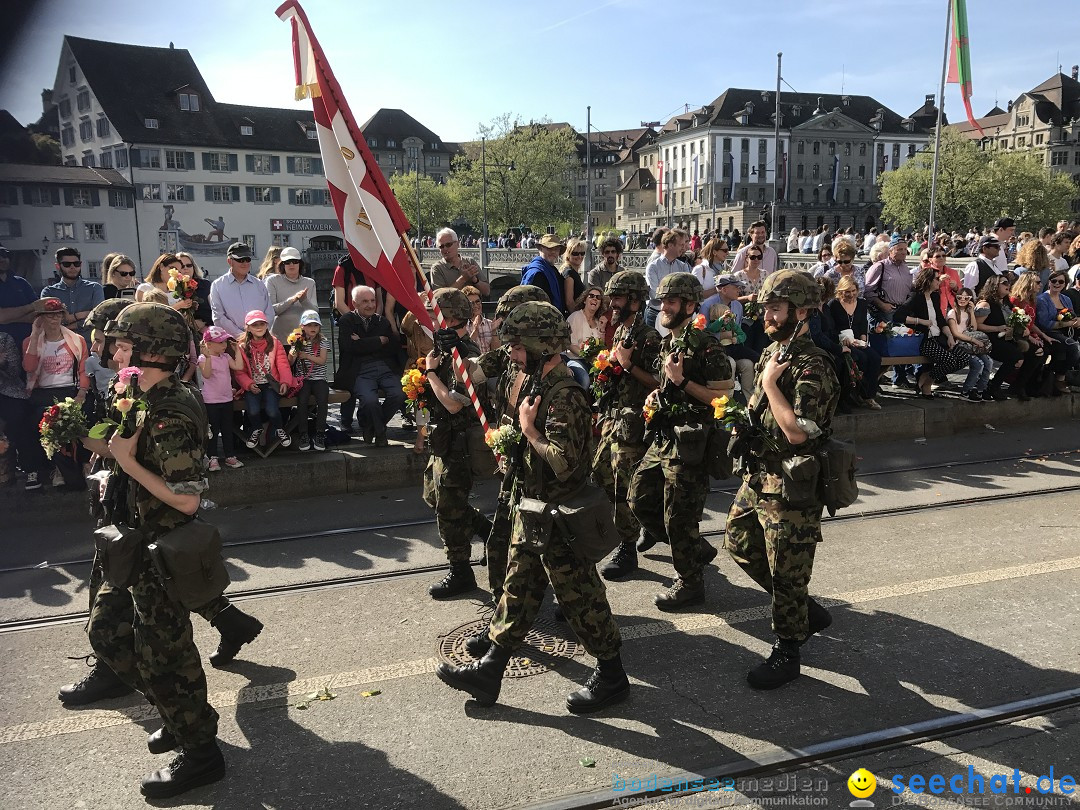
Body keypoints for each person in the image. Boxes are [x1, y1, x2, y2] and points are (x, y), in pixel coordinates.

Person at [436, 302, 630, 713]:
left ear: (544, 345)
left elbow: (563, 462)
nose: (511, 353)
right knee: (518, 591)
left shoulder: (567, 395)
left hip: (560, 515)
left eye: (518, 346)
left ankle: (612, 675)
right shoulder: (532, 382)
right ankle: (490, 671)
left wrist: (527, 430)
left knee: (582, 598)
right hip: (534, 511)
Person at [85, 303, 227, 798]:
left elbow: (187, 498)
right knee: (106, 632)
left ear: (151, 353)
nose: (111, 351)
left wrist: (126, 459)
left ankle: (201, 750)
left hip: (162, 552)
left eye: (123, 345)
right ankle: (178, 713)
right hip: (137, 546)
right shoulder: (144, 395)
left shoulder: (168, 412)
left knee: (165, 652)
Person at [724, 271, 839, 690]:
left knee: (787, 571)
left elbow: (798, 433)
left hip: (792, 486)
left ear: (802, 312)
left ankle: (788, 650)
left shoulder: (813, 364)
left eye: (776, 308)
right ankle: (806, 610)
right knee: (738, 542)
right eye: (767, 308)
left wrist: (771, 384)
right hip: (760, 474)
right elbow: (761, 410)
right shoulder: (775, 349)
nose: (767, 315)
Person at [628, 273, 732, 610]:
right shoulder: (668, 342)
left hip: (692, 442)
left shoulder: (707, 345)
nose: (663, 307)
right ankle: (695, 548)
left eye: (671, 301)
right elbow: (666, 385)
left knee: (679, 517)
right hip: (664, 437)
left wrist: (682, 381)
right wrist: (657, 395)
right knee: (639, 498)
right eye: (662, 301)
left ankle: (690, 583)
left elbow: (723, 399)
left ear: (689, 305)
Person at [420, 288, 492, 599]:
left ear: (450, 317)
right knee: (435, 498)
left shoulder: (466, 353)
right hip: (443, 440)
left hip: (460, 443)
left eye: (437, 315)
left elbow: (453, 403)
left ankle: (460, 572)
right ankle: (491, 532)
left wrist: (431, 374)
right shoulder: (445, 349)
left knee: (448, 510)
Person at [591, 271, 662, 580]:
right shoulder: (621, 331)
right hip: (614, 419)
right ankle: (649, 522)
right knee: (600, 475)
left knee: (623, 486)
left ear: (635, 301)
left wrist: (628, 364)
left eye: (617, 298)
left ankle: (627, 546)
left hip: (635, 424)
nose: (612, 304)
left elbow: (658, 382)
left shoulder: (649, 337)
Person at [22, 298, 90, 490]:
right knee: (37, 419)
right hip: (43, 391)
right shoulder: (30, 341)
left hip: (71, 388)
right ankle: (50, 467)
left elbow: (84, 371)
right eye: (49, 315)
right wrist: (35, 335)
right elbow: (29, 367)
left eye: (58, 314)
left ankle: (85, 463)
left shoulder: (77, 340)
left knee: (86, 415)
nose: (54, 319)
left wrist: (81, 394)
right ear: (40, 318)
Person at [334, 285, 404, 447]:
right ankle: (380, 432)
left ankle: (370, 426)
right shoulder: (347, 321)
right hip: (360, 370)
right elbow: (348, 347)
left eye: (372, 301)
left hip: (385, 368)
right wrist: (378, 341)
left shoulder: (382, 322)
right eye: (365, 301)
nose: (370, 305)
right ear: (354, 303)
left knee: (399, 394)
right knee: (370, 400)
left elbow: (392, 347)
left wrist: (362, 342)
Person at [896, 267, 970, 399]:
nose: (939, 281)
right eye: (936, 278)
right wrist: (921, 321)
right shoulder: (916, 297)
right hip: (924, 340)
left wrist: (949, 336)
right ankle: (927, 385)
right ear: (928, 280)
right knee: (949, 361)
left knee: (964, 358)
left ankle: (926, 376)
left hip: (939, 337)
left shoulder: (935, 296)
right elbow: (898, 316)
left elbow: (940, 319)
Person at [234, 310, 295, 449]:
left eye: (262, 324)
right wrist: (248, 385)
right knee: (253, 410)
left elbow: (283, 365)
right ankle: (257, 428)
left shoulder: (275, 343)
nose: (259, 327)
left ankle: (280, 429)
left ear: (267, 325)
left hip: (271, 384)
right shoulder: (242, 346)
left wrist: (285, 381)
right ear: (248, 327)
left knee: (272, 410)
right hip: (253, 384)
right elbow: (239, 372)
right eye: (255, 325)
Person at [975, 276, 1039, 401]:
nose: (1008, 285)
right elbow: (976, 325)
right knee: (1015, 356)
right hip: (990, 339)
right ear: (994, 285)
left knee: (1036, 352)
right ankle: (994, 386)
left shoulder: (1006, 303)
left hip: (1006, 338)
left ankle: (1019, 386)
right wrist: (997, 328)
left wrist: (1022, 328)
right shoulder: (986, 303)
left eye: (1008, 282)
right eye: (1004, 283)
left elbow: (1012, 322)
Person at [826, 277, 881, 409]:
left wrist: (863, 339)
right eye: (847, 292)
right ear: (841, 292)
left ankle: (868, 395)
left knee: (874, 358)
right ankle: (854, 392)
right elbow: (831, 327)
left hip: (857, 340)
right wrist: (841, 340)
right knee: (860, 358)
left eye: (853, 291)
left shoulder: (861, 303)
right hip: (842, 341)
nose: (851, 294)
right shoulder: (834, 304)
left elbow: (863, 323)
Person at [1011, 270, 1066, 397]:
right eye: (1037, 282)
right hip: (1017, 335)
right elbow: (1014, 323)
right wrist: (1030, 338)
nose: (1041, 285)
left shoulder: (1032, 301)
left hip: (1029, 334)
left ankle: (1034, 385)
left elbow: (1032, 323)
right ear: (1028, 283)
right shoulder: (1016, 300)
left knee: (1052, 348)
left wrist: (1043, 335)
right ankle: (1019, 385)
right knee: (1037, 352)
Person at [199, 326, 244, 471]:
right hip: (211, 400)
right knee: (212, 429)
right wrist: (207, 357)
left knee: (227, 428)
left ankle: (230, 456)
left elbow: (238, 366)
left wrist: (237, 350)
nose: (224, 345)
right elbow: (206, 374)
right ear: (209, 344)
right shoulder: (202, 358)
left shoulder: (226, 356)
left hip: (226, 399)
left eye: (225, 341)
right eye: (220, 342)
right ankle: (213, 457)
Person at [40, 247, 104, 345]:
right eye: (67, 264)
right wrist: (86, 314)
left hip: (90, 346)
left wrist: (72, 318)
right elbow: (50, 322)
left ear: (81, 264)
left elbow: (99, 318)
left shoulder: (95, 288)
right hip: (59, 347)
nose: (72, 267)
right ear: (58, 266)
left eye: (76, 263)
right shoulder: (49, 292)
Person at [209, 242, 273, 337]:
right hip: (232, 342)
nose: (245, 263)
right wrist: (241, 336)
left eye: (247, 259)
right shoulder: (217, 285)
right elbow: (219, 317)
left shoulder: (259, 284)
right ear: (229, 261)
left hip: (261, 340)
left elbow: (269, 313)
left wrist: (259, 334)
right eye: (241, 260)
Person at [289, 310, 331, 452]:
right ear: (302, 326)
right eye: (309, 325)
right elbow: (290, 362)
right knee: (302, 401)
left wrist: (306, 355)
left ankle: (320, 433)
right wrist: (294, 350)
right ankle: (303, 433)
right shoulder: (298, 340)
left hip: (319, 379)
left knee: (322, 401)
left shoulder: (323, 341)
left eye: (316, 325)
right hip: (303, 379)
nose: (313, 328)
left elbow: (322, 360)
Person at [946, 288, 993, 402]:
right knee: (978, 364)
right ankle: (966, 391)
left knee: (989, 362)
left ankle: (980, 390)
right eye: (960, 297)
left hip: (970, 345)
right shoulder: (952, 312)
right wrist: (974, 340)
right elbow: (955, 333)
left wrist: (972, 312)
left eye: (966, 298)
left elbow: (974, 329)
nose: (962, 300)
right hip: (959, 345)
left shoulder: (967, 312)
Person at [1036, 269, 1078, 394]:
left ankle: (1052, 373)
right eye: (1054, 281)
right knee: (1074, 348)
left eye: (1061, 281)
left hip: (1066, 333)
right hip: (1048, 333)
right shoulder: (1042, 299)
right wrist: (1065, 323)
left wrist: (1075, 321)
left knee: (1071, 350)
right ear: (1049, 282)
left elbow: (1071, 315)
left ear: (1065, 284)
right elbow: (1045, 323)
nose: (1057, 284)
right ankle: (1059, 377)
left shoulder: (1065, 299)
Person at [265, 246, 316, 342]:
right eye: (287, 262)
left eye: (295, 261)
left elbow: (314, 313)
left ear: (300, 264)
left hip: (304, 338)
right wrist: (292, 300)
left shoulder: (310, 282)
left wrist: (304, 300)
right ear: (282, 265)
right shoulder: (272, 281)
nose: (291, 265)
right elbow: (272, 310)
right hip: (279, 339)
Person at [644, 230, 690, 328]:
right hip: (656, 314)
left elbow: (687, 290)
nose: (684, 248)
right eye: (680, 245)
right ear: (670, 245)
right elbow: (654, 293)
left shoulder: (683, 266)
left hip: (675, 315)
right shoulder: (653, 267)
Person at [430, 227, 490, 298]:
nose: (445, 249)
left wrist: (474, 280)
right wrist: (463, 278)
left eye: (448, 245)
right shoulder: (437, 268)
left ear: (458, 244)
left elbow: (487, 292)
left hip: (474, 307)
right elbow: (440, 298)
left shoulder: (470, 262)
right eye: (441, 246)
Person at [521, 234, 566, 313]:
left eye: (556, 249)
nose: (553, 252)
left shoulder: (551, 269)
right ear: (541, 249)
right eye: (549, 248)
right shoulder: (536, 273)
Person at [566, 285, 608, 354]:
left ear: (600, 304)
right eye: (591, 296)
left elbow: (601, 346)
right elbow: (571, 344)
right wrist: (585, 355)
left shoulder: (599, 321)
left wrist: (602, 329)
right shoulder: (575, 317)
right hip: (574, 358)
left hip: (594, 360)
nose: (595, 299)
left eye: (598, 297)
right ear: (585, 300)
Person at [463, 285, 496, 353]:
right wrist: (475, 331)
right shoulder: (462, 326)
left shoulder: (490, 324)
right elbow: (465, 351)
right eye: (471, 303)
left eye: (477, 301)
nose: (475, 305)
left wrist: (494, 331)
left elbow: (496, 351)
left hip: (488, 362)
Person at [560, 237, 588, 315]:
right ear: (568, 254)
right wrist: (578, 318)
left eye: (582, 253)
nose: (579, 256)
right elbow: (569, 302)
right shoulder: (569, 274)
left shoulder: (573, 272)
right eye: (575, 253)